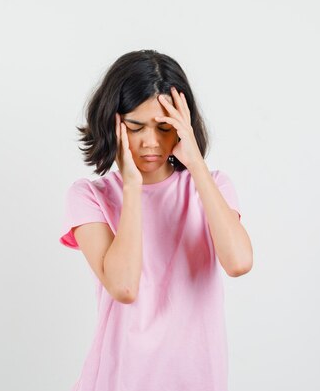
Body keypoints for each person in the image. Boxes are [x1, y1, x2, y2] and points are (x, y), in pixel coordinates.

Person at [59, 49, 253, 391]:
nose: (151, 142)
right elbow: (124, 287)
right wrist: (132, 187)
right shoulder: (89, 196)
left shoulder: (212, 187)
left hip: (197, 380)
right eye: (136, 127)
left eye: (165, 127)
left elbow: (238, 262)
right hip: (118, 380)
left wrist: (197, 166)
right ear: (113, 122)